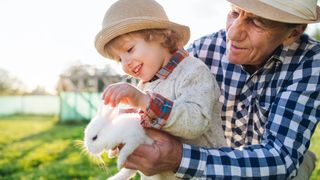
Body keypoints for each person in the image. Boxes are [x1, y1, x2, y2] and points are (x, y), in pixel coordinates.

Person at [121, 0, 320, 179]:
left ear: (293, 33)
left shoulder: (311, 62)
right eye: (234, 12)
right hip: (212, 163)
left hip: (272, 170)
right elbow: (161, 98)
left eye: (257, 22)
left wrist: (178, 158)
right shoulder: (201, 52)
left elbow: (280, 158)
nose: (232, 33)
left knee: (295, 168)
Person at [94, 0, 227, 179]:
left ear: (160, 37)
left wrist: (142, 101)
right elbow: (144, 130)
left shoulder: (192, 71)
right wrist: (121, 135)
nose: (125, 64)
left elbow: (195, 122)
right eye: (119, 59)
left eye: (129, 49)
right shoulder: (146, 85)